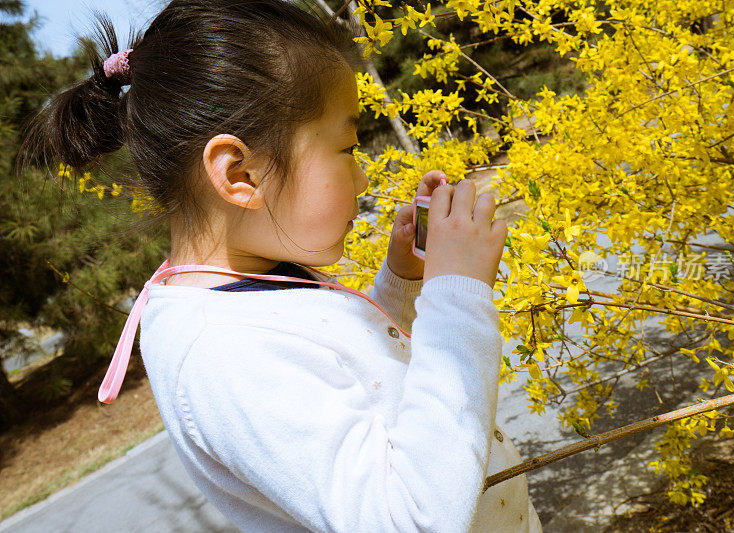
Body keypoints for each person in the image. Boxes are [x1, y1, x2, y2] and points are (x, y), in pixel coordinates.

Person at [16, 1, 543, 531]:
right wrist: (457, 296)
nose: (361, 179)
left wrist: (404, 282)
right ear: (241, 174)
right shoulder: (221, 351)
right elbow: (406, 517)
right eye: (348, 147)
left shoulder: (253, 287)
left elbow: (352, 375)